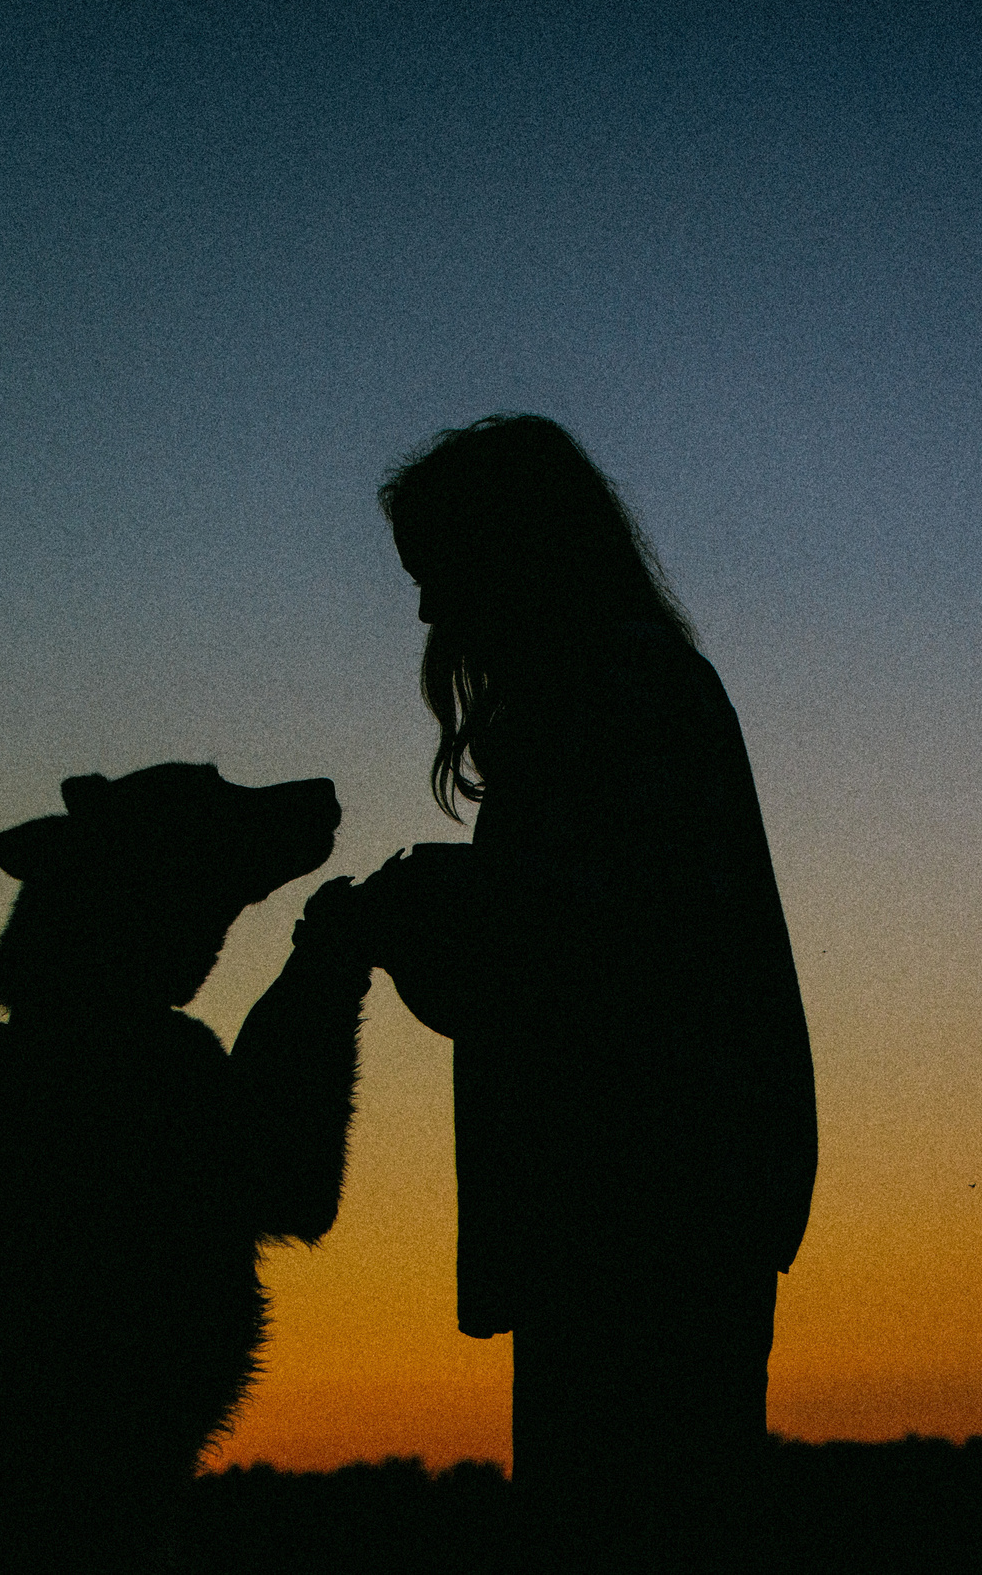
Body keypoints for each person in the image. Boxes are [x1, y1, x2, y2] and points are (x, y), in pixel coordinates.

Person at [353, 414, 818, 1569]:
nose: (425, 614)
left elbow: (573, 969)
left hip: (635, 1223)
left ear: (509, 556)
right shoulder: (636, 690)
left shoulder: (612, 701)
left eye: (437, 576)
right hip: (671, 1211)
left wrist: (422, 916)